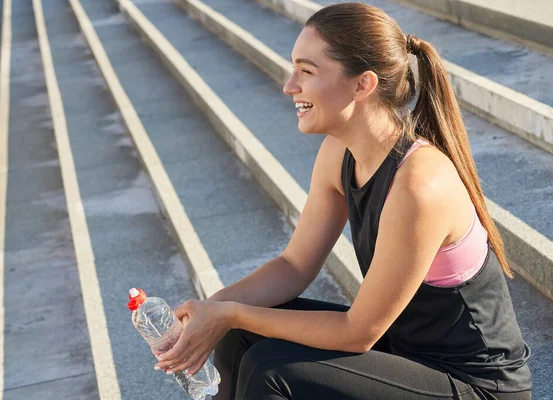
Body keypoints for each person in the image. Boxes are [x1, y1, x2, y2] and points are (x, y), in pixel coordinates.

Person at [153, 3, 532, 399]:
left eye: (307, 70)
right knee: (238, 335)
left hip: (474, 386)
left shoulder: (419, 184)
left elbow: (358, 333)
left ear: (362, 85)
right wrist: (210, 310)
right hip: (405, 355)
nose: (289, 85)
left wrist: (229, 312)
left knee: (271, 369)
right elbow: (294, 265)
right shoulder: (340, 152)